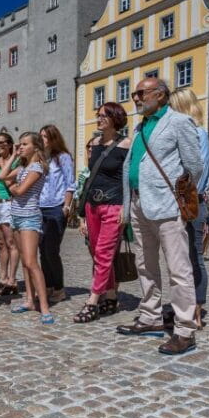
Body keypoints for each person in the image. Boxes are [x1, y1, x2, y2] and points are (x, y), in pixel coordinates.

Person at [116, 78, 202, 355]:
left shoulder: (178, 122)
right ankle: (150, 317)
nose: (136, 98)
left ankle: (185, 329)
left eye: (141, 93)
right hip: (139, 204)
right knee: (145, 265)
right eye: (134, 94)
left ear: (161, 95)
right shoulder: (140, 126)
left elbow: (194, 166)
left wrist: (180, 199)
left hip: (167, 206)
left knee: (178, 269)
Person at [74, 103, 131, 323]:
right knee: (97, 254)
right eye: (97, 115)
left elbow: (128, 179)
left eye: (103, 116)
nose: (98, 119)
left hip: (114, 205)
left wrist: (126, 207)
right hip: (92, 206)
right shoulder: (95, 143)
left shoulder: (126, 145)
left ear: (114, 118)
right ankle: (111, 296)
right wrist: (82, 213)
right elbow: (90, 178)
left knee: (104, 254)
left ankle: (92, 302)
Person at [169, 88, 209, 329]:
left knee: (194, 258)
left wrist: (182, 196)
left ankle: (196, 308)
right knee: (178, 259)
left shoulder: (199, 134)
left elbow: (199, 172)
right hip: (177, 202)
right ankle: (181, 306)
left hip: (192, 203)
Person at [2, 132, 54, 325]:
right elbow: (2, 176)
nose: (20, 147)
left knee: (32, 262)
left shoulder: (37, 167)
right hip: (15, 216)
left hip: (30, 218)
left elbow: (20, 190)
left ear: (36, 147)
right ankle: (30, 301)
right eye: (20, 144)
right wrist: (14, 157)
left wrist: (13, 188)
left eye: (24, 144)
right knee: (24, 262)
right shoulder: (23, 166)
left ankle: (45, 307)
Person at [38, 124, 75, 304]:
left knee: (52, 250)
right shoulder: (40, 159)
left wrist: (66, 207)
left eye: (44, 137)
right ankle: (48, 286)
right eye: (40, 136)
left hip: (56, 207)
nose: (41, 140)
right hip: (40, 208)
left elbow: (70, 183)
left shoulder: (63, 158)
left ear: (53, 138)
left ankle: (59, 289)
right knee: (42, 251)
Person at [0, 132, 20, 296]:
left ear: (10, 144)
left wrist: (5, 165)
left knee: (11, 243)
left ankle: (13, 280)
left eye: (3, 142)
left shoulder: (15, 162)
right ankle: (3, 277)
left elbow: (13, 183)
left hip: (9, 203)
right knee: (1, 244)